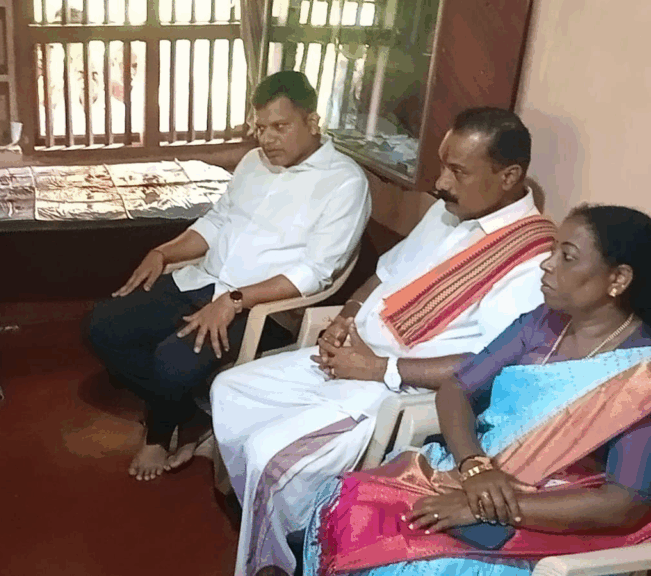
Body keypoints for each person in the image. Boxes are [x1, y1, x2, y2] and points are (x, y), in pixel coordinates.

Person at [212, 107, 556, 575]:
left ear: (508, 176)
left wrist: (378, 369)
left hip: (395, 386)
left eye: (458, 172)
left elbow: (490, 363)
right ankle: (272, 520)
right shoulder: (449, 211)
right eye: (442, 165)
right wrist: (347, 315)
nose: (441, 183)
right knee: (229, 390)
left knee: (270, 455)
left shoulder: (530, 260)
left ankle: (284, 560)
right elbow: (385, 273)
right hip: (351, 355)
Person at [300, 204, 651, 576]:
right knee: (348, 503)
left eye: (567, 257)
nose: (547, 264)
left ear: (618, 279)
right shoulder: (544, 322)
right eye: (552, 251)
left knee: (412, 565)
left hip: (554, 515)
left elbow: (624, 504)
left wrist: (485, 508)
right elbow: (457, 388)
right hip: (478, 473)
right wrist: (474, 466)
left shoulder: (640, 375)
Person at [87, 70, 371, 481]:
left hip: (263, 308)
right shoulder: (253, 163)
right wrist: (163, 252)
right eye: (261, 128)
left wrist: (235, 300)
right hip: (203, 280)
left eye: (280, 127)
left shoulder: (344, 182)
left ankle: (160, 432)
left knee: (171, 358)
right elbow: (217, 221)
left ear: (312, 122)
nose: (267, 139)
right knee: (102, 327)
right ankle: (188, 412)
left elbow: (315, 273)